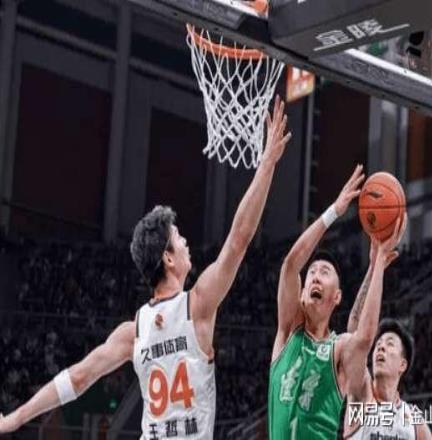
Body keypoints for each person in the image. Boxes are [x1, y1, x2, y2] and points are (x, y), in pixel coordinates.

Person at [0, 96, 291, 438]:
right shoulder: (198, 305)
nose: (186, 242)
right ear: (168, 258)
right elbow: (239, 238)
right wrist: (267, 164)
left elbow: (77, 378)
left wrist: (14, 418)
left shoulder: (134, 332)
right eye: (178, 238)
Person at [268, 164, 407, 439]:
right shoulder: (288, 332)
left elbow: (364, 337)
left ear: (337, 296)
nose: (315, 277)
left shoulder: (339, 349)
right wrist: (334, 211)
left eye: (324, 272)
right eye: (312, 272)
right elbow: (290, 265)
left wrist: (378, 263)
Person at [343, 318, 432, 439]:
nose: (381, 347)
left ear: (402, 365)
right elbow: (354, 340)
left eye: (390, 344)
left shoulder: (415, 421)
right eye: (378, 344)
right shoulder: (361, 396)